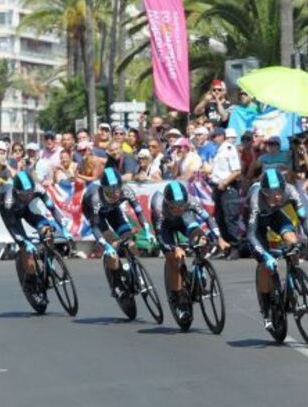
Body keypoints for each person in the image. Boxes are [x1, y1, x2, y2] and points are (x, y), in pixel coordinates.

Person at [245, 169, 308, 330]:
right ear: (264, 192)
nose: (276, 197)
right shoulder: (255, 199)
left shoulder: (291, 191)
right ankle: (266, 307)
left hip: (275, 216)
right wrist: (266, 256)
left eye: (279, 192)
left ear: (284, 188)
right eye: (270, 193)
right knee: (264, 265)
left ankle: (293, 278)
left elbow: (304, 219)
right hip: (257, 224)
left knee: (292, 242)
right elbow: (251, 235)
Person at [151, 181, 229, 321]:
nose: (178, 209)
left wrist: (219, 238)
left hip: (184, 221)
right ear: (167, 203)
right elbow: (160, 237)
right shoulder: (158, 206)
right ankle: (177, 297)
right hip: (165, 227)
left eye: (181, 205)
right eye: (174, 206)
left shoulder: (191, 202)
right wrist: (175, 248)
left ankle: (197, 266)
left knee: (202, 240)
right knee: (174, 260)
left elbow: (208, 218)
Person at [82, 168, 155, 298]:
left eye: (117, 189)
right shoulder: (95, 198)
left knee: (130, 242)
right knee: (112, 247)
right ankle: (116, 282)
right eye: (110, 191)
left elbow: (139, 212)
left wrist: (148, 231)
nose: (115, 194)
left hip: (114, 211)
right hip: (96, 215)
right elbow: (95, 227)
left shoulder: (126, 191)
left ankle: (136, 271)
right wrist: (106, 246)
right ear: (103, 189)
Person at [0, 171, 71, 293]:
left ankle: (48, 261)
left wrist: (64, 229)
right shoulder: (8, 201)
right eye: (24, 194)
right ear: (16, 191)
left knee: (47, 230)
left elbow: (52, 209)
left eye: (30, 193)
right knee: (27, 249)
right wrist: (26, 243)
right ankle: (30, 279)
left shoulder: (38, 189)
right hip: (11, 216)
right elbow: (13, 228)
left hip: (27, 210)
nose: (28, 196)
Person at [209, 127, 242, 249]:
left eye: (215, 136)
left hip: (228, 188)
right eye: (212, 137)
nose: (213, 139)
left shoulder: (229, 149)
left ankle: (235, 247)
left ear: (222, 136)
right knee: (220, 218)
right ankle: (225, 246)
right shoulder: (218, 150)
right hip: (218, 187)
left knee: (230, 217)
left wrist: (225, 183)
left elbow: (237, 170)